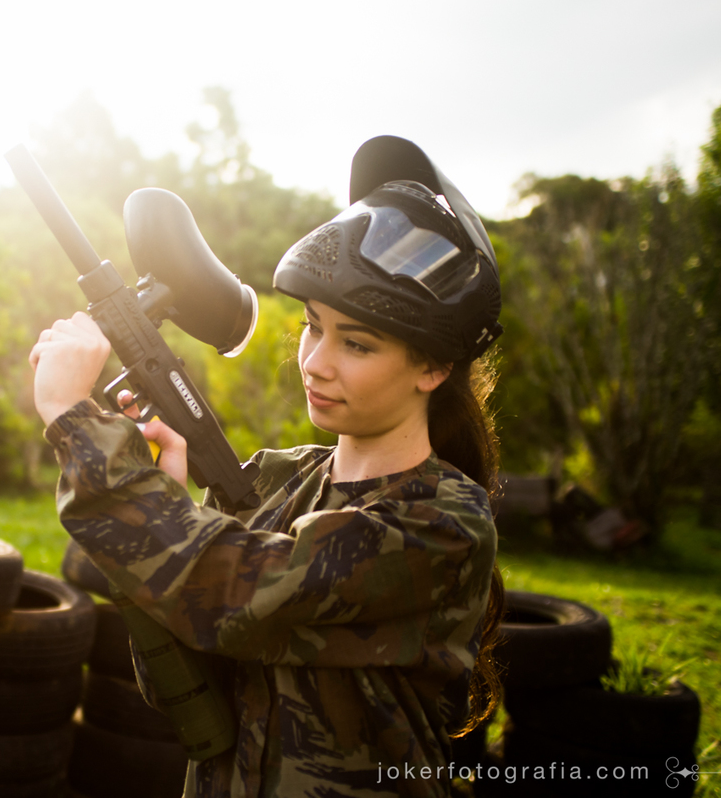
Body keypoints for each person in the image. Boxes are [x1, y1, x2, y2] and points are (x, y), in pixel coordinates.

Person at [28, 136, 505, 798]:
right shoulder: (277, 482)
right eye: (313, 325)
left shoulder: (442, 524)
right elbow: (181, 681)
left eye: (357, 342)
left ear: (433, 366)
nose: (315, 361)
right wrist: (166, 504)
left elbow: (250, 596)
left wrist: (71, 416)